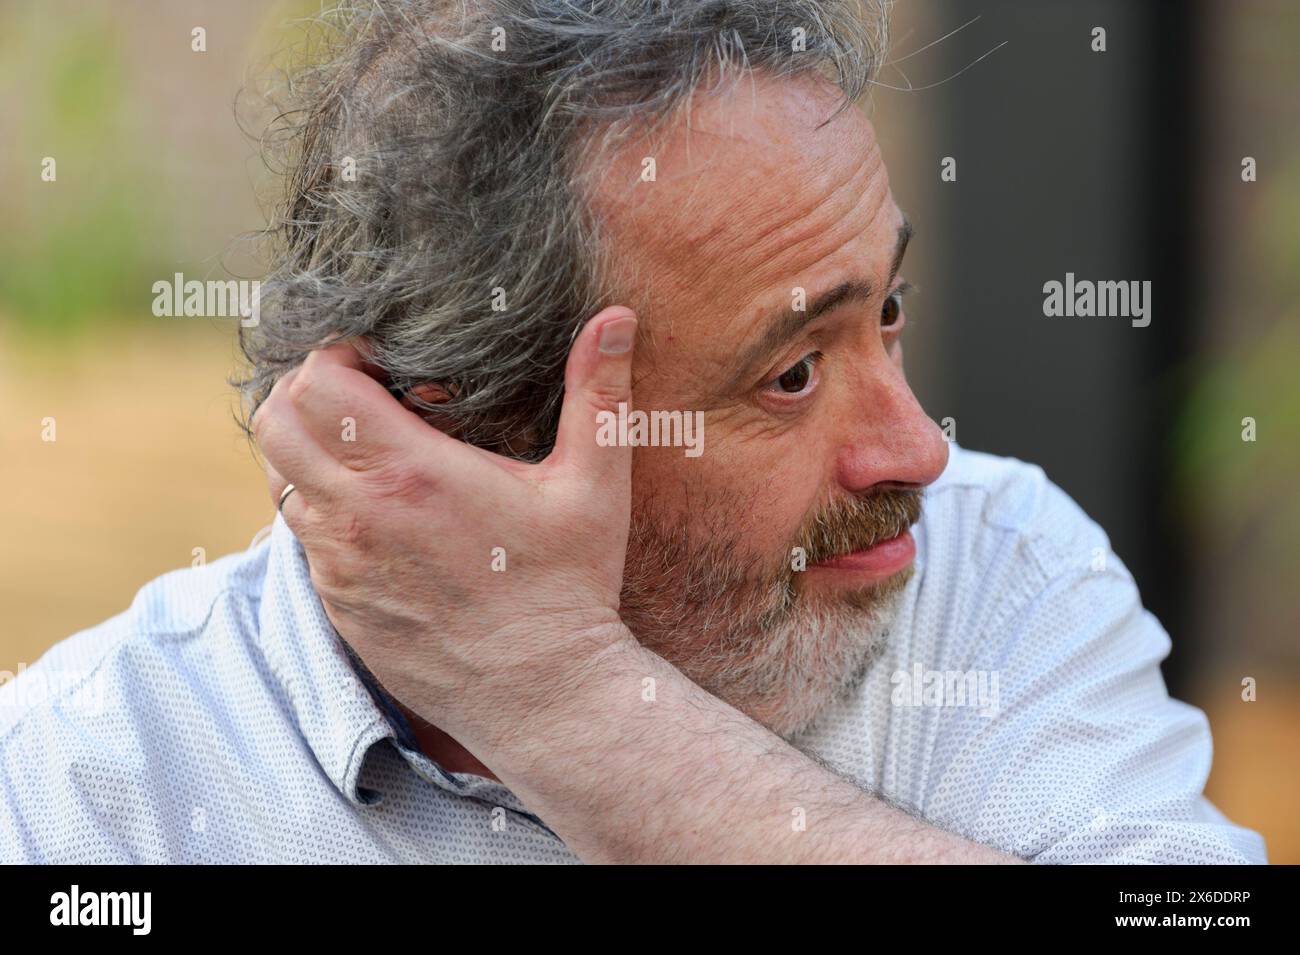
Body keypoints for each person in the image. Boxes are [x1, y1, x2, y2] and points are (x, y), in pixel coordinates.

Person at [0, 0, 1266, 864]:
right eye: (789, 373)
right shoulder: (94, 786)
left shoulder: (995, 573)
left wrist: (569, 702)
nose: (916, 450)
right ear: (465, 432)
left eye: (884, 310)